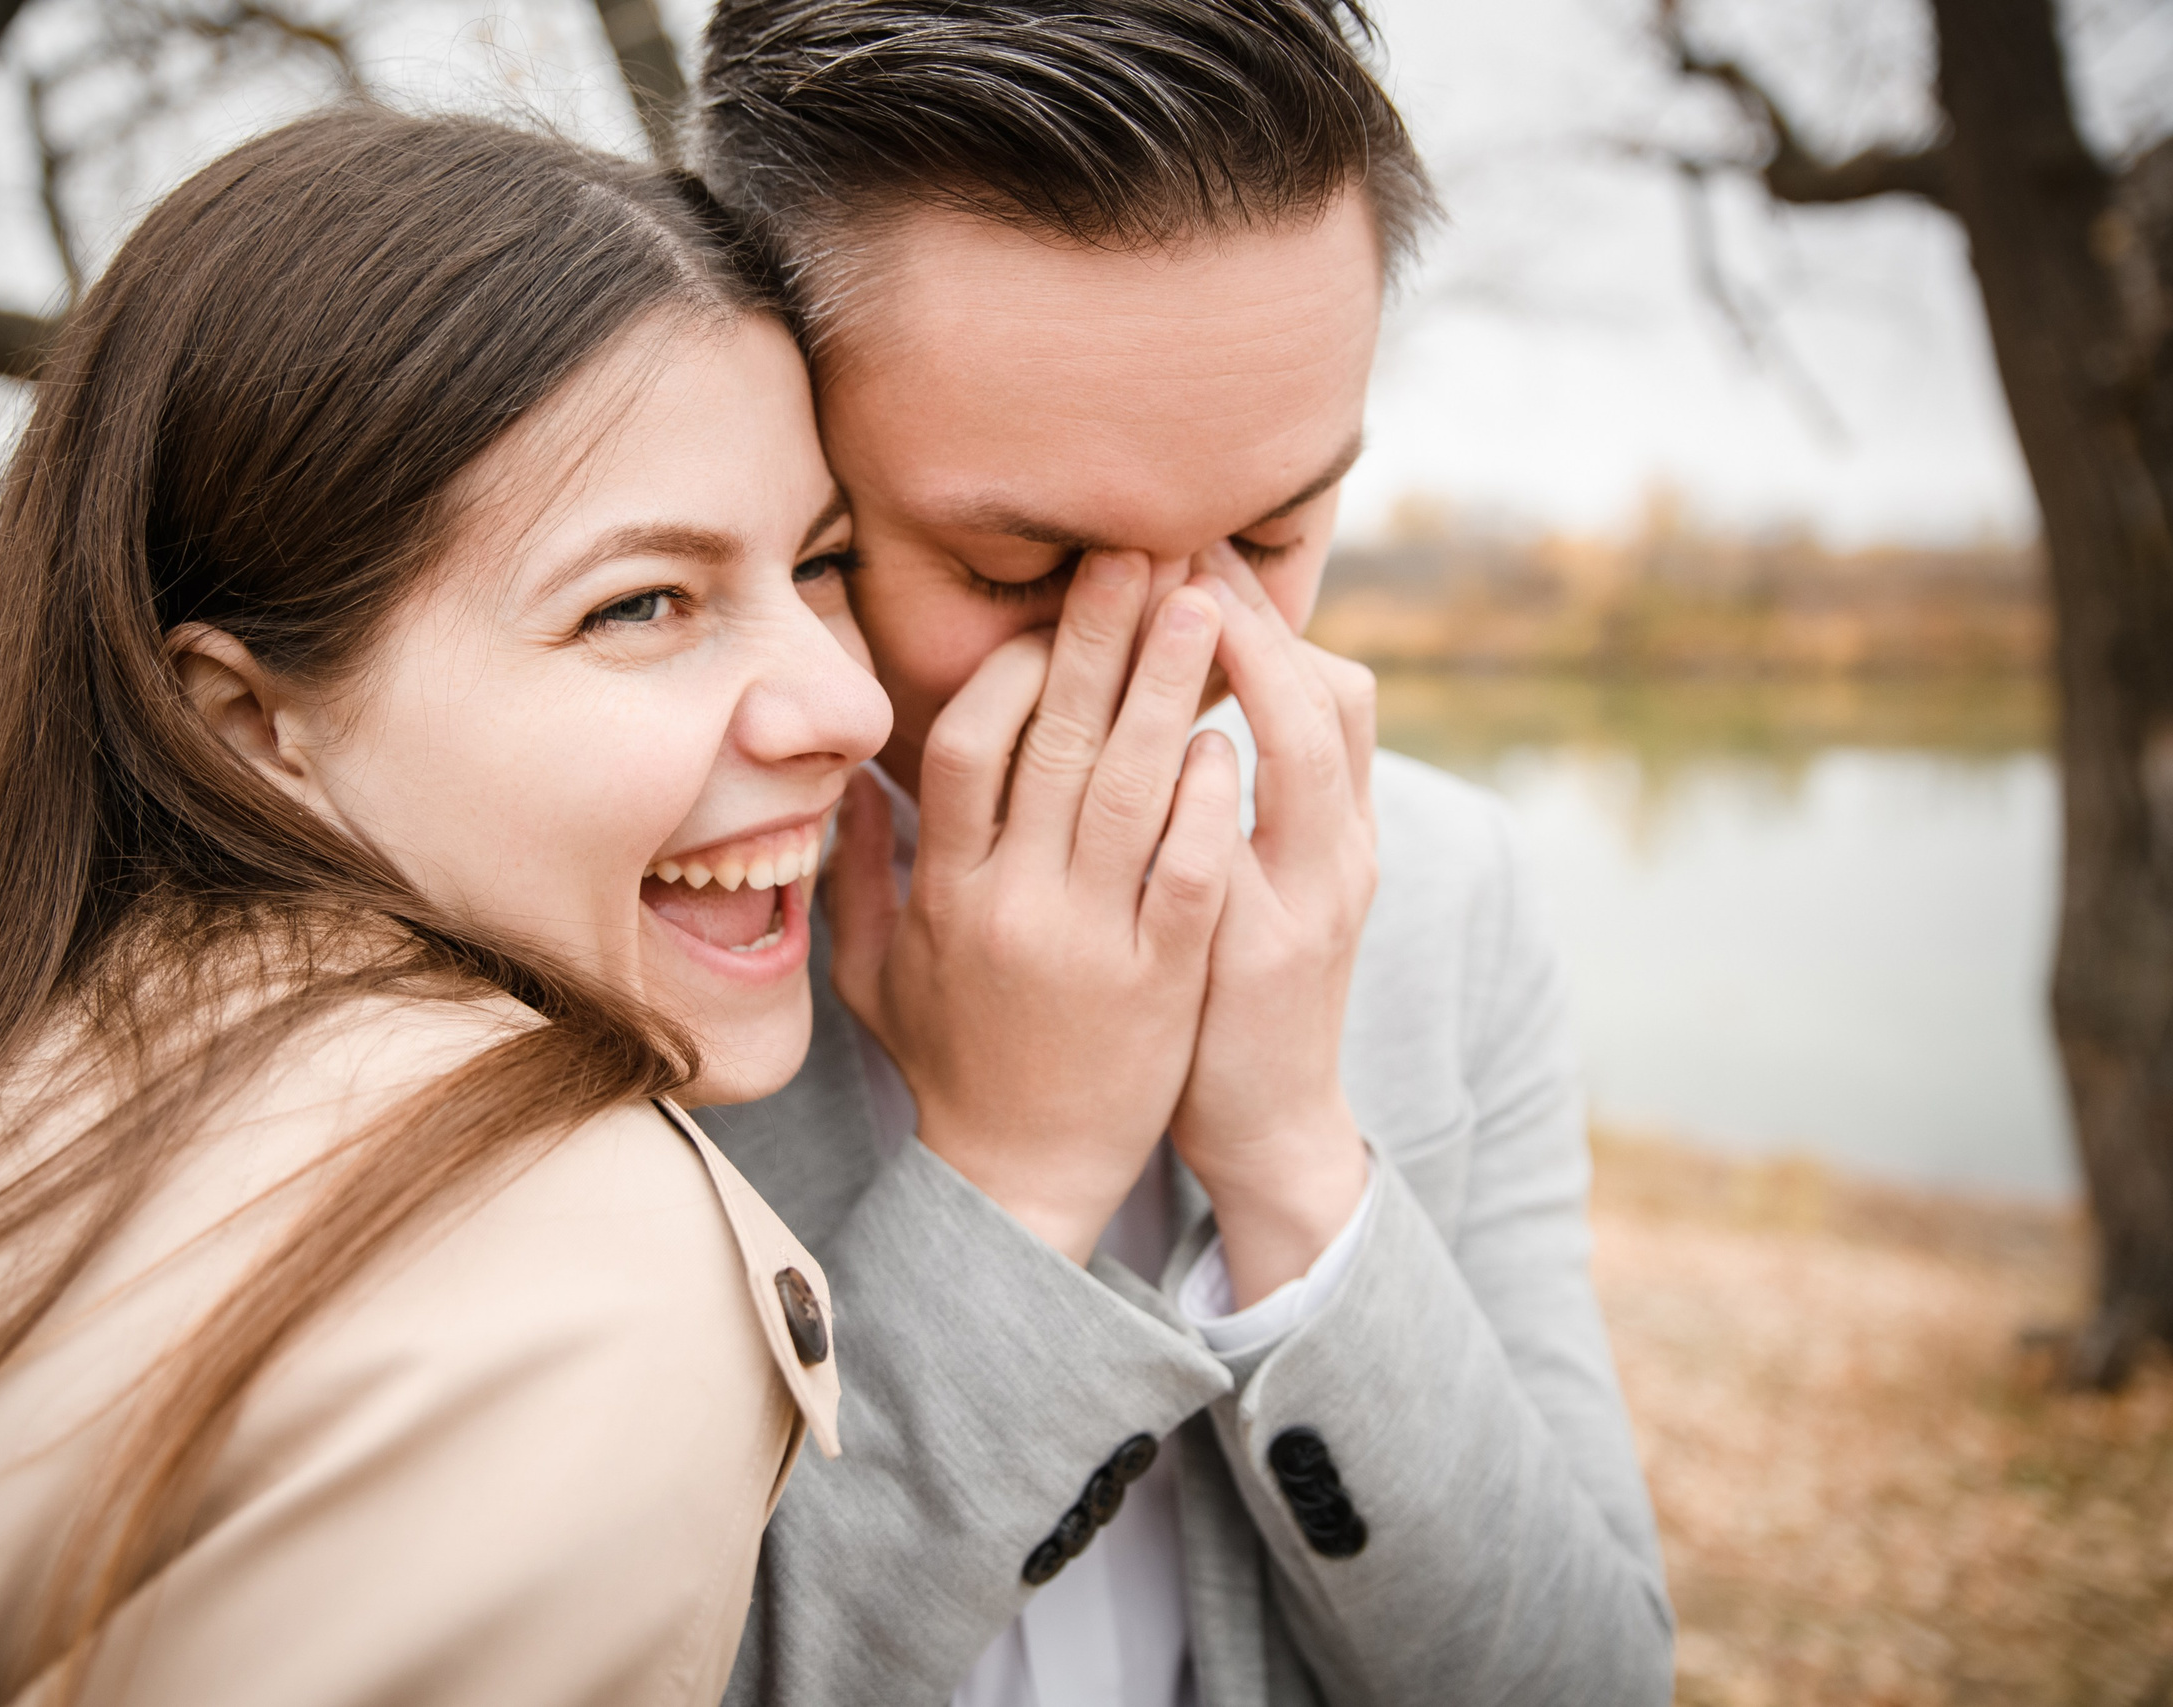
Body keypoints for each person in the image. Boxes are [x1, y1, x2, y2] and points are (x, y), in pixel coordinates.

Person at [0, 109, 887, 1707]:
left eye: (823, 561)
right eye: (640, 603)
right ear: (246, 721)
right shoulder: (562, 1265)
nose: (843, 704)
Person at [687, 0, 1676, 1702]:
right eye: (1023, 566)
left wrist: (1298, 1163)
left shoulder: (1448, 894)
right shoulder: (591, 930)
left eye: (1277, 531)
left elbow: (1587, 1677)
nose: (1191, 657)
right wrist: (1013, 1185)